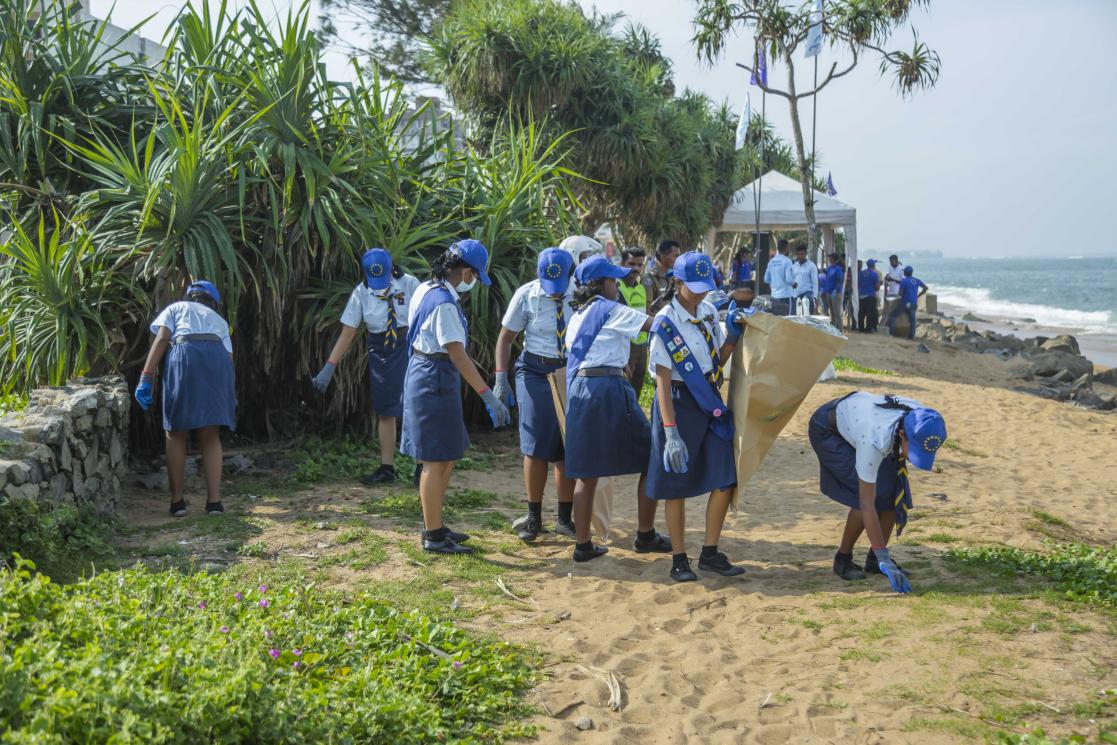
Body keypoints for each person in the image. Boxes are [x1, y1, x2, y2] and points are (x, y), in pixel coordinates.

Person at [401, 239, 511, 555]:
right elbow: (458, 354)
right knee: (436, 460)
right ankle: (432, 535)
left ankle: (436, 524)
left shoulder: (426, 288)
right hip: (433, 376)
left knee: (445, 456)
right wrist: (487, 394)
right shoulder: (445, 305)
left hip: (429, 372)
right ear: (464, 272)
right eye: (474, 277)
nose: (473, 283)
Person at [646, 252, 748, 582]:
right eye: (695, 287)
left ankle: (710, 552)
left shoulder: (706, 312)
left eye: (706, 287)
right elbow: (662, 378)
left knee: (724, 477)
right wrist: (670, 431)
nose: (702, 293)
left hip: (708, 399)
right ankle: (678, 559)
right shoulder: (665, 321)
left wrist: (732, 336)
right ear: (677, 283)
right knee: (675, 485)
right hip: (676, 402)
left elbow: (716, 361)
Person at [565, 256, 671, 562]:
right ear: (600, 284)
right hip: (608, 389)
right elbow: (654, 326)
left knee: (586, 472)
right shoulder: (609, 308)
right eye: (614, 281)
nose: (619, 285)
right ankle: (646, 533)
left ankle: (583, 544)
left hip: (582, 388)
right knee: (651, 458)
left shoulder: (578, 314)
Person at [807, 391, 947, 593]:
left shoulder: (924, 419)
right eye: (914, 451)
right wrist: (885, 556)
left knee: (892, 490)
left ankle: (874, 560)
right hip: (829, 431)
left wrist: (880, 553)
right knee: (868, 493)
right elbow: (866, 502)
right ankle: (843, 558)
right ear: (901, 435)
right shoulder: (874, 439)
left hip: (859, 420)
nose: (914, 459)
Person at [311, 249, 420, 484]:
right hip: (380, 349)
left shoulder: (409, 283)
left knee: (416, 404)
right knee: (385, 410)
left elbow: (424, 316)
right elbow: (348, 332)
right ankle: (387, 468)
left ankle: (422, 466)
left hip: (409, 344)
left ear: (392, 268)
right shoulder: (361, 293)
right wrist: (329, 367)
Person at [494, 248, 577, 541]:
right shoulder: (526, 295)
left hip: (568, 373)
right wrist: (500, 379)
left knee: (567, 446)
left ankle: (565, 519)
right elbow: (506, 339)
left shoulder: (580, 294)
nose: (555, 293)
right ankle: (534, 518)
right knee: (535, 445)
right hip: (534, 372)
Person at [135, 281, 236, 517]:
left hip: (185, 353)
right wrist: (229, 393)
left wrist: (146, 377)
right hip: (216, 360)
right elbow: (229, 358)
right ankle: (214, 503)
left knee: (175, 431)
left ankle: (177, 502)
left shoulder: (177, 307)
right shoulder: (219, 321)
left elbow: (162, 339)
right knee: (210, 435)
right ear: (213, 302)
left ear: (191, 296)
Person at [617, 247, 650, 398]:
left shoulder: (641, 288)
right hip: (625, 346)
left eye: (639, 265)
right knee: (623, 391)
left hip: (641, 345)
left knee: (636, 391)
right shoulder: (616, 287)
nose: (636, 268)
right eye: (632, 264)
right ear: (622, 263)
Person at [886, 266, 928, 340]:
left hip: (905, 303)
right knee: (913, 320)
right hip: (913, 303)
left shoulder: (904, 280)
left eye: (904, 271)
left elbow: (900, 294)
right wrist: (918, 295)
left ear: (905, 273)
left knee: (893, 315)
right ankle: (911, 336)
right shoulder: (916, 280)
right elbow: (925, 288)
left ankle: (891, 333)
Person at [643, 239, 681, 315]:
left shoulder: (673, 277)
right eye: (676, 256)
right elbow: (647, 310)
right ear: (663, 256)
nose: (678, 260)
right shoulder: (650, 278)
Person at [763, 239, 795, 315]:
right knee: (788, 319)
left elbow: (766, 279)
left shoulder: (771, 262)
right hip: (786, 296)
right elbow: (789, 280)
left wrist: (775, 282)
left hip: (774, 296)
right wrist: (795, 284)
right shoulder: (787, 261)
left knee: (777, 320)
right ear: (786, 248)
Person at [791, 244, 819, 315]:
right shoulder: (794, 266)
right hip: (796, 295)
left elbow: (815, 282)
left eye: (802, 254)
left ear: (806, 254)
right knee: (795, 316)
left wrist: (814, 297)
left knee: (807, 316)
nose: (800, 256)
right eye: (798, 254)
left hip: (807, 293)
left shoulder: (811, 266)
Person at [857, 259, 882, 333]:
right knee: (869, 313)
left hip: (861, 295)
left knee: (861, 313)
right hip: (870, 296)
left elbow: (858, 284)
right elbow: (877, 287)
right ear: (873, 265)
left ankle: (861, 328)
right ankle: (868, 329)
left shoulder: (861, 273)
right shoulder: (874, 274)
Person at [825, 253, 845, 331]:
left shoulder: (838, 268)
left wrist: (836, 290)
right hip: (829, 292)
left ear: (834, 259)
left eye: (830, 258)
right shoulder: (829, 268)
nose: (829, 259)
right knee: (832, 312)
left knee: (837, 313)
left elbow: (840, 280)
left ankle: (840, 329)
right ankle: (833, 329)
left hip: (836, 292)